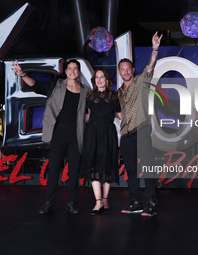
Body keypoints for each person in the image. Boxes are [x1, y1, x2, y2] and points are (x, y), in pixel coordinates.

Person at [11, 59, 91, 215]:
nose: (72, 71)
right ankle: (48, 202)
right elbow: (37, 86)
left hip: (76, 134)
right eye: (70, 68)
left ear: (79, 72)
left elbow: (88, 111)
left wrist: (86, 119)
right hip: (58, 133)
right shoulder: (56, 85)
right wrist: (23, 75)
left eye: (75, 68)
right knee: (54, 168)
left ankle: (72, 203)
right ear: (66, 71)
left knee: (74, 170)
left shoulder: (85, 90)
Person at [118, 31, 162, 217]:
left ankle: (151, 201)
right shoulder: (119, 92)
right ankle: (136, 201)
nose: (126, 71)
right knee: (131, 169)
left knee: (147, 166)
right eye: (123, 69)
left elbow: (150, 66)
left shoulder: (141, 81)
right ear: (119, 72)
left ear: (133, 70)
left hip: (142, 129)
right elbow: (120, 113)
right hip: (126, 134)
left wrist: (154, 49)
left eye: (129, 68)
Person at [81, 68, 121, 215]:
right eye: (97, 77)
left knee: (107, 166)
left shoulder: (114, 96)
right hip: (93, 133)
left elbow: (121, 116)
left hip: (108, 133)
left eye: (102, 77)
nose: (99, 79)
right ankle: (98, 202)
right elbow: (86, 117)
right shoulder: (90, 96)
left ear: (107, 79)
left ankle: (105, 200)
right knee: (94, 167)